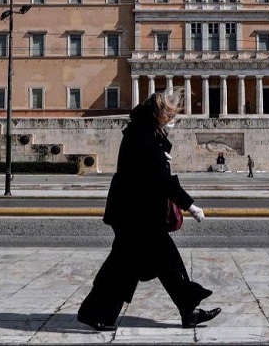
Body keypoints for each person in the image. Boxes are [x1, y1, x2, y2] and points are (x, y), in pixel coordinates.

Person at [77, 90, 220, 331]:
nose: (172, 121)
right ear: (160, 115)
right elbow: (161, 179)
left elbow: (153, 171)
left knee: (157, 264)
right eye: (170, 117)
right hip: (135, 215)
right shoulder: (142, 136)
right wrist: (190, 205)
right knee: (129, 266)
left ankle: (188, 311)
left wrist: (161, 148)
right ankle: (95, 313)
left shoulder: (144, 132)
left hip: (139, 213)